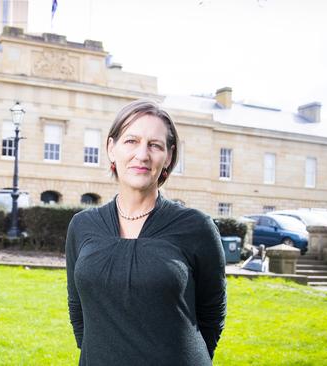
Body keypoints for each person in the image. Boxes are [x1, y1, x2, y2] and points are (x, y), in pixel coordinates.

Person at [65, 99, 226, 365]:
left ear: (169, 157)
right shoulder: (82, 226)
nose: (142, 154)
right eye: (131, 141)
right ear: (111, 148)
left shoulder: (197, 227)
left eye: (155, 145)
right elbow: (77, 308)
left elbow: (212, 313)